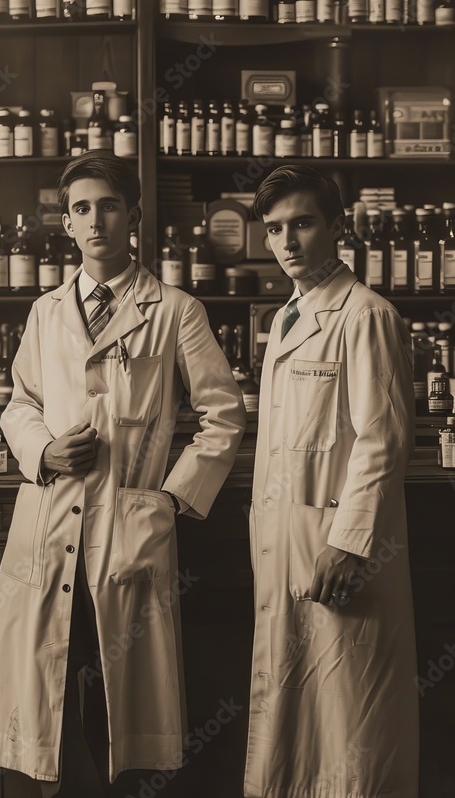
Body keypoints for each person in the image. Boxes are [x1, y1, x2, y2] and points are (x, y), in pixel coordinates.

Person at [0, 151, 246, 796]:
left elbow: (224, 415)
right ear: (67, 224)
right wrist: (42, 453)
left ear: (134, 216)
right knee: (49, 694)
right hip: (50, 516)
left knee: (118, 702)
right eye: (81, 209)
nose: (96, 220)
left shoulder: (175, 309)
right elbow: (20, 405)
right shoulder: (46, 311)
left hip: (128, 526)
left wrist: (168, 501)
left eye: (109, 206)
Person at [244, 165, 418, 798]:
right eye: (274, 229)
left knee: (351, 716)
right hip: (288, 537)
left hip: (337, 547)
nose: (288, 241)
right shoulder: (286, 317)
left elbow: (384, 438)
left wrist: (349, 541)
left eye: (302, 224)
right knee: (292, 716)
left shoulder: (366, 315)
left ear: (337, 226)